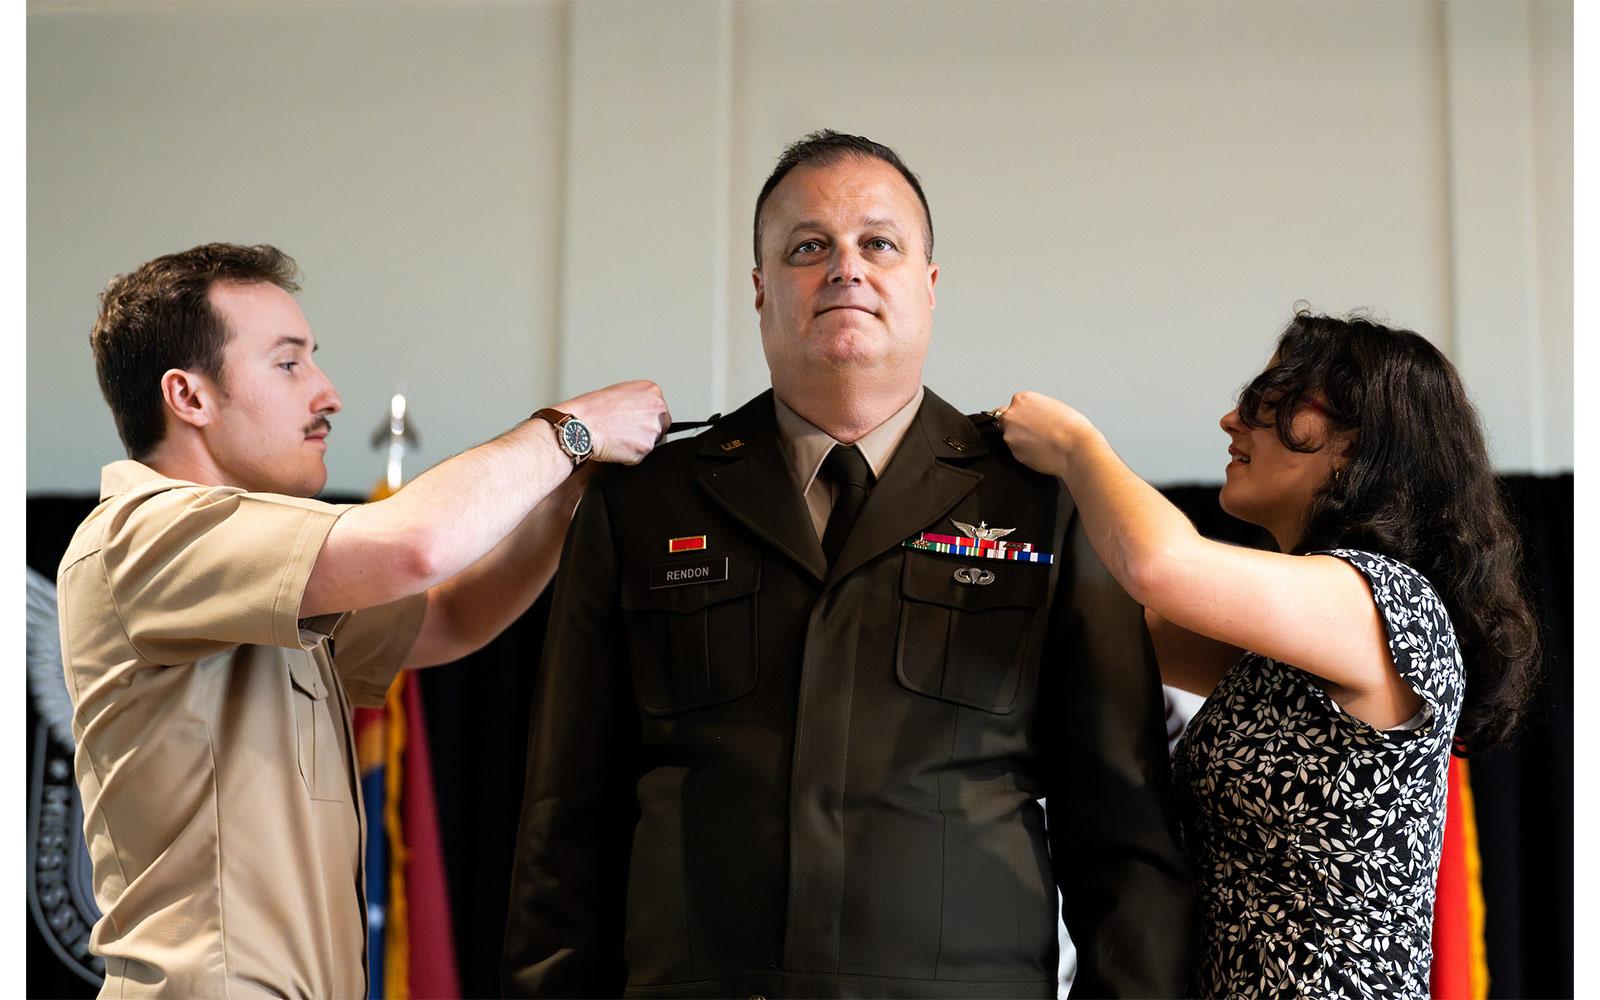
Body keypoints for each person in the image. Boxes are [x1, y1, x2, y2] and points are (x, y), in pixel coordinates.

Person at [501, 131, 1195, 997]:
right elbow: (566, 818)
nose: (846, 269)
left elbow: (1123, 832)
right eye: (807, 248)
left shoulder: (1045, 500)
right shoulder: (644, 502)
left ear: (929, 286)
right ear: (760, 291)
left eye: (879, 244)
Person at [56, 243, 670, 998]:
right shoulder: (143, 535)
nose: (329, 394)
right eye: (289, 364)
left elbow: (449, 617)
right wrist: (567, 430)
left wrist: (564, 493)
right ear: (189, 397)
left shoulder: (254, 559)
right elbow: (417, 545)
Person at [995, 310, 1540, 996]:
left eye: (1271, 400)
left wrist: (1077, 447)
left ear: (1355, 445)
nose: (1233, 420)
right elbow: (1118, 626)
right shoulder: (1296, 643)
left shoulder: (1384, 602)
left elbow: (1160, 567)